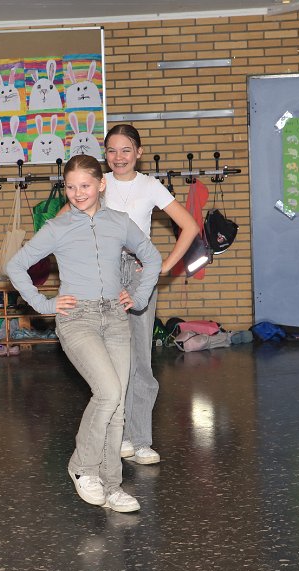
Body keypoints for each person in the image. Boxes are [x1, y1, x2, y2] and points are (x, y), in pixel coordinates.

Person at [6, 154, 162, 513]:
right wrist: (43, 304)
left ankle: (112, 487)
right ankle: (82, 467)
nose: (78, 193)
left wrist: (138, 297)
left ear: (101, 185)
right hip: (78, 319)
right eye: (71, 186)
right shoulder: (58, 227)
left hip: (116, 318)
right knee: (108, 393)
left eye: (85, 185)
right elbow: (15, 265)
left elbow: (152, 258)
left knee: (117, 408)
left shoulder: (119, 222)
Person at [101, 124, 202, 465]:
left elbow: (190, 226)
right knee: (110, 360)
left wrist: (163, 267)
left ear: (139, 152)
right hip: (105, 274)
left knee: (140, 361)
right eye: (112, 150)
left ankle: (140, 439)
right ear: (105, 154)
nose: (119, 157)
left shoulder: (150, 186)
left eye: (126, 150)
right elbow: (66, 221)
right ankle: (117, 436)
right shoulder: (98, 183)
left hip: (138, 272)